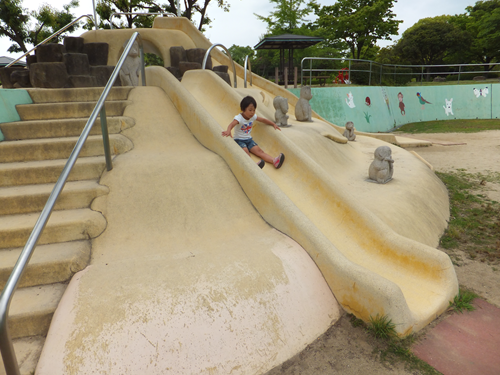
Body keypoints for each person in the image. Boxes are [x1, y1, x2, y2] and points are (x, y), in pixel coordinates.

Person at [222, 96, 285, 169]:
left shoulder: (252, 117)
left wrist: (273, 124)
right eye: (250, 110)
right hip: (239, 140)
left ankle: (274, 161)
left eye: (254, 110)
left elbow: (263, 120)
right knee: (245, 151)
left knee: (259, 151)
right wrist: (228, 130)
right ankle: (253, 165)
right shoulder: (239, 118)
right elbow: (232, 124)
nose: (252, 112)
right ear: (243, 109)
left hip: (249, 140)